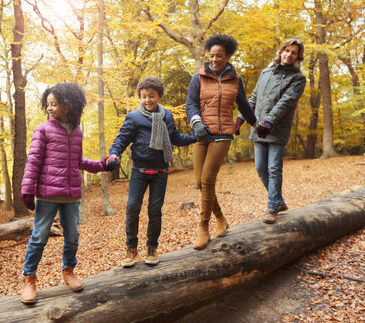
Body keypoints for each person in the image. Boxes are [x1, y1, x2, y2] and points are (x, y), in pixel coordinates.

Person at [19, 83, 114, 304]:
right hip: (47, 194)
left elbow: (78, 161)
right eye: (48, 104)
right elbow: (33, 161)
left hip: (72, 195)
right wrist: (27, 188)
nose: (50, 108)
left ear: (69, 105)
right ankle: (30, 279)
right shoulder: (42, 130)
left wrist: (102, 165)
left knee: (72, 236)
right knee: (39, 237)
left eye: (55, 104)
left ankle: (68, 270)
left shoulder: (77, 131)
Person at [105, 76, 197, 267]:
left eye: (151, 96)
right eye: (144, 96)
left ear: (159, 96)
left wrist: (194, 138)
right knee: (132, 208)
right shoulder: (134, 117)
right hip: (139, 170)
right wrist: (114, 154)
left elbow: (175, 138)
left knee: (155, 211)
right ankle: (131, 248)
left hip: (160, 171)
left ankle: (152, 248)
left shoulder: (167, 116)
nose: (147, 100)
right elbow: (122, 139)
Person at [185, 33, 260, 250]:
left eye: (219, 56)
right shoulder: (198, 77)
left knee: (208, 180)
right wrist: (196, 122)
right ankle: (221, 219)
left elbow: (244, 105)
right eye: (211, 56)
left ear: (227, 56)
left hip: (222, 134)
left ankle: (203, 226)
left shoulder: (235, 79)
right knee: (200, 183)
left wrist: (256, 125)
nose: (214, 59)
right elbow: (190, 104)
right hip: (201, 134)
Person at [235, 38, 306, 224]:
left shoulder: (298, 78)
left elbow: (285, 103)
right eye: (287, 50)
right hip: (259, 127)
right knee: (260, 168)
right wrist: (241, 117)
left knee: (274, 168)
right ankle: (279, 200)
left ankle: (272, 208)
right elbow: (254, 98)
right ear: (281, 51)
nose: (289, 55)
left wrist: (269, 122)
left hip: (277, 128)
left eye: (293, 52)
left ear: (298, 56)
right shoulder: (265, 72)